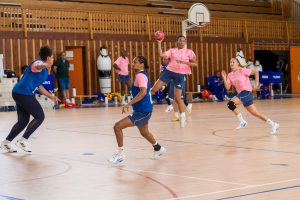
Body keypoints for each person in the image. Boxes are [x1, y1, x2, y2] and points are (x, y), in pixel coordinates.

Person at [108, 56, 166, 164]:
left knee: (117, 127)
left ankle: (121, 155)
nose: (133, 63)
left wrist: (128, 104)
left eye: (135, 62)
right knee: (144, 132)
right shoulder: (140, 75)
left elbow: (143, 92)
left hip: (143, 111)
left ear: (142, 64)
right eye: (133, 62)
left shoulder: (140, 76)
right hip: (143, 109)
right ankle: (158, 148)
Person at [0, 46, 58, 153]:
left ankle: (6, 143)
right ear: (48, 58)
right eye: (52, 57)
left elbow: (39, 86)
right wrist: (45, 64)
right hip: (22, 93)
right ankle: (23, 140)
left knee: (22, 122)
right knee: (40, 116)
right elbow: (37, 65)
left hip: (21, 93)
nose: (53, 59)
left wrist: (51, 96)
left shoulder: (45, 72)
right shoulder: (37, 64)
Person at [221, 57, 279, 134]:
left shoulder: (242, 70)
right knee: (256, 114)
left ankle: (242, 121)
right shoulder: (230, 75)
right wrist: (224, 78)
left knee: (230, 103)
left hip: (246, 93)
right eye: (230, 62)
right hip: (242, 95)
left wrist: (256, 83)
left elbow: (255, 72)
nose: (231, 63)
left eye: (233, 62)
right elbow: (228, 87)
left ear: (238, 63)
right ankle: (274, 124)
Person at [151, 35, 196, 127]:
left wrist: (184, 63)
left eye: (183, 41)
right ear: (177, 41)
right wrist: (159, 42)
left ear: (185, 42)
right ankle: (142, 104)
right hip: (169, 71)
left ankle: (182, 115)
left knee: (178, 98)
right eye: (180, 40)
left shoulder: (189, 52)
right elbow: (161, 55)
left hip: (180, 75)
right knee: (154, 89)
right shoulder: (172, 51)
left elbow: (195, 64)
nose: (181, 42)